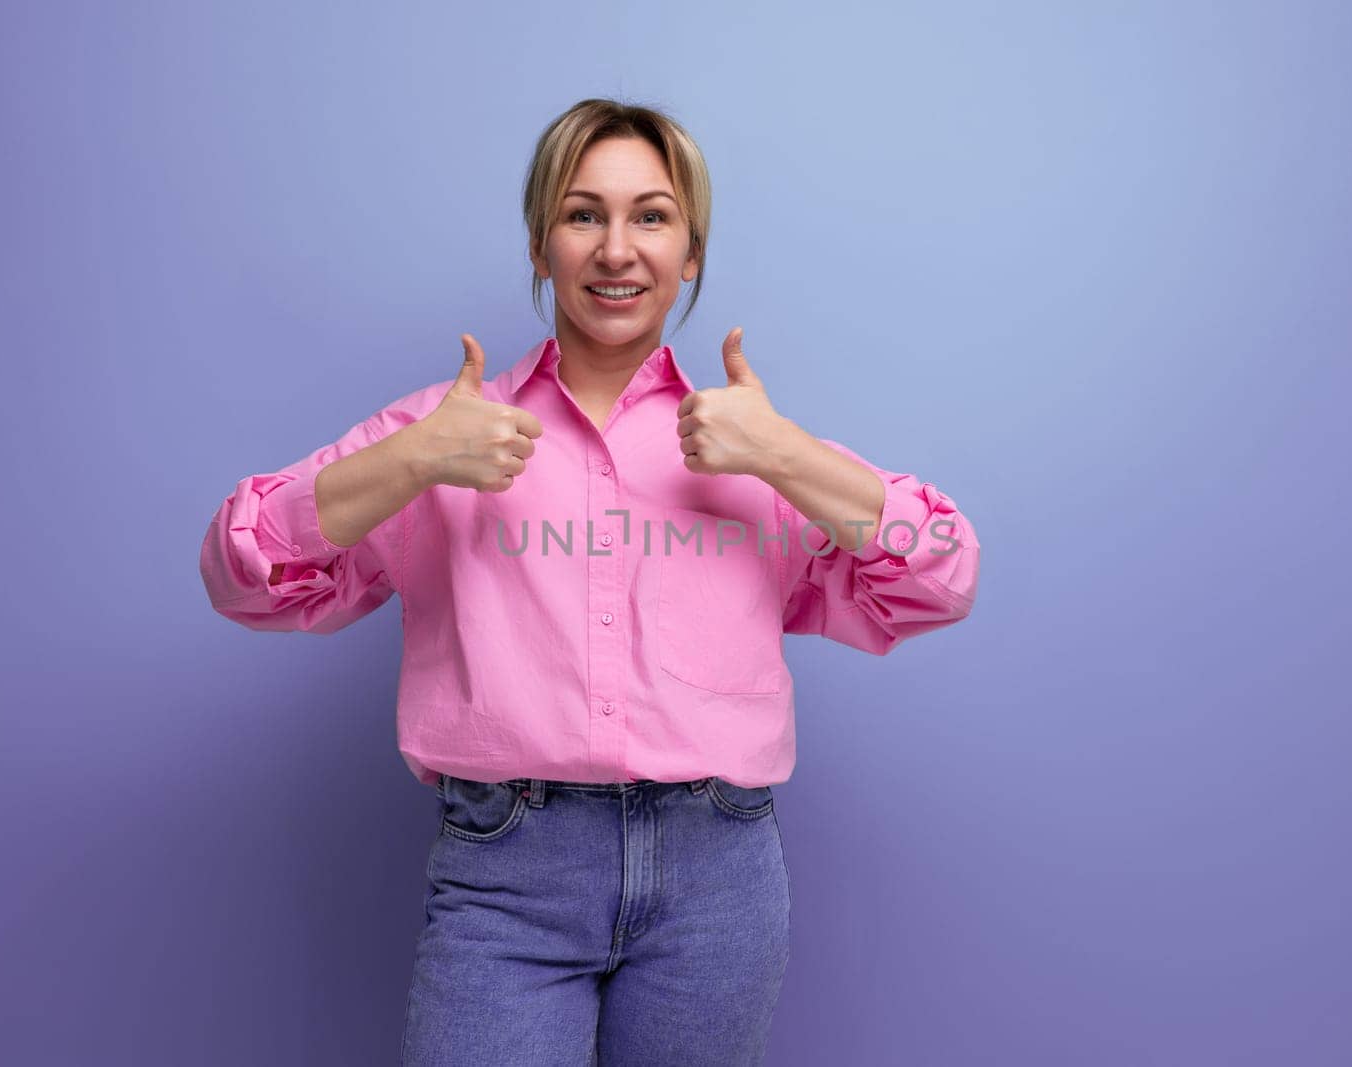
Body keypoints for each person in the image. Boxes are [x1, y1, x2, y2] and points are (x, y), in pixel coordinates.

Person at [199, 98, 980, 1066]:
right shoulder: (444, 432)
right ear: (540, 245)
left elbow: (938, 576)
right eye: (583, 215)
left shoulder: (751, 443)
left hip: (719, 871)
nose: (617, 248)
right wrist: (409, 460)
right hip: (506, 870)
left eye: (651, 216)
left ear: (690, 250)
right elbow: (245, 577)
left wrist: (783, 453)